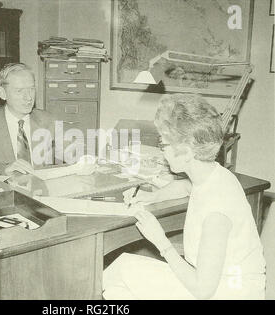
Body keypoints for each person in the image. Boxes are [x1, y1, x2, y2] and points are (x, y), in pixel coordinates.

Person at [103, 94, 266, 300]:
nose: (163, 152)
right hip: (220, 283)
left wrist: (160, 241)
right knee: (121, 272)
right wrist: (153, 197)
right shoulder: (213, 175)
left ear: (187, 152)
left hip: (230, 292)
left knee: (118, 278)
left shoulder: (216, 214)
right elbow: (186, 187)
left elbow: (202, 290)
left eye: (164, 145)